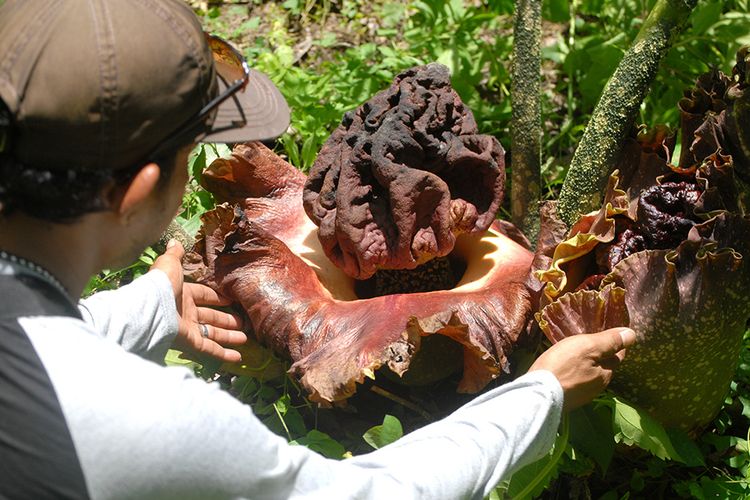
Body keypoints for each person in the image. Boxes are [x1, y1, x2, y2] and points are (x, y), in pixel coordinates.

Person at [0, 1, 637, 498]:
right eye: (188, 154)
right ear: (137, 189)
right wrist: (540, 394)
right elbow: (361, 493)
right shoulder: (157, 422)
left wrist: (145, 308)